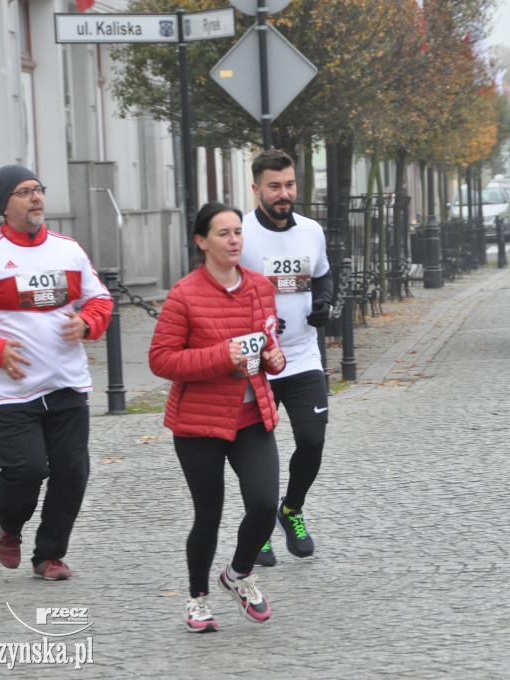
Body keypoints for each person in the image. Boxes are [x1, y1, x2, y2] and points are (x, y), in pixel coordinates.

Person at [0, 165, 112, 581]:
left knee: (72, 471)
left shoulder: (68, 249)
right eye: (23, 192)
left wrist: (87, 322)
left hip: (66, 382)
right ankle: (9, 527)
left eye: (38, 189)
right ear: (3, 205)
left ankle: (49, 554)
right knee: (27, 470)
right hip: (10, 391)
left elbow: (100, 298)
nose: (36, 198)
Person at [149, 201, 286, 632]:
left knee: (265, 505)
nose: (233, 240)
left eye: (238, 232)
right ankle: (197, 598)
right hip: (199, 423)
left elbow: (266, 340)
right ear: (202, 241)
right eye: (223, 233)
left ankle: (238, 574)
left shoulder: (261, 286)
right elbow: (161, 360)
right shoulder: (184, 294)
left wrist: (273, 358)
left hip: (251, 414)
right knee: (208, 512)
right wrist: (217, 356)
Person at [239, 149, 333, 567]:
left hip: (302, 355)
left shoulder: (311, 230)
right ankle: (258, 527)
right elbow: (221, 287)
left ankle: (291, 509)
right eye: (274, 186)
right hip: (256, 362)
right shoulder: (239, 234)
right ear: (257, 188)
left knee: (312, 439)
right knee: (258, 452)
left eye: (290, 184)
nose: (284, 193)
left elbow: (323, 274)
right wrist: (252, 321)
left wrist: (325, 303)